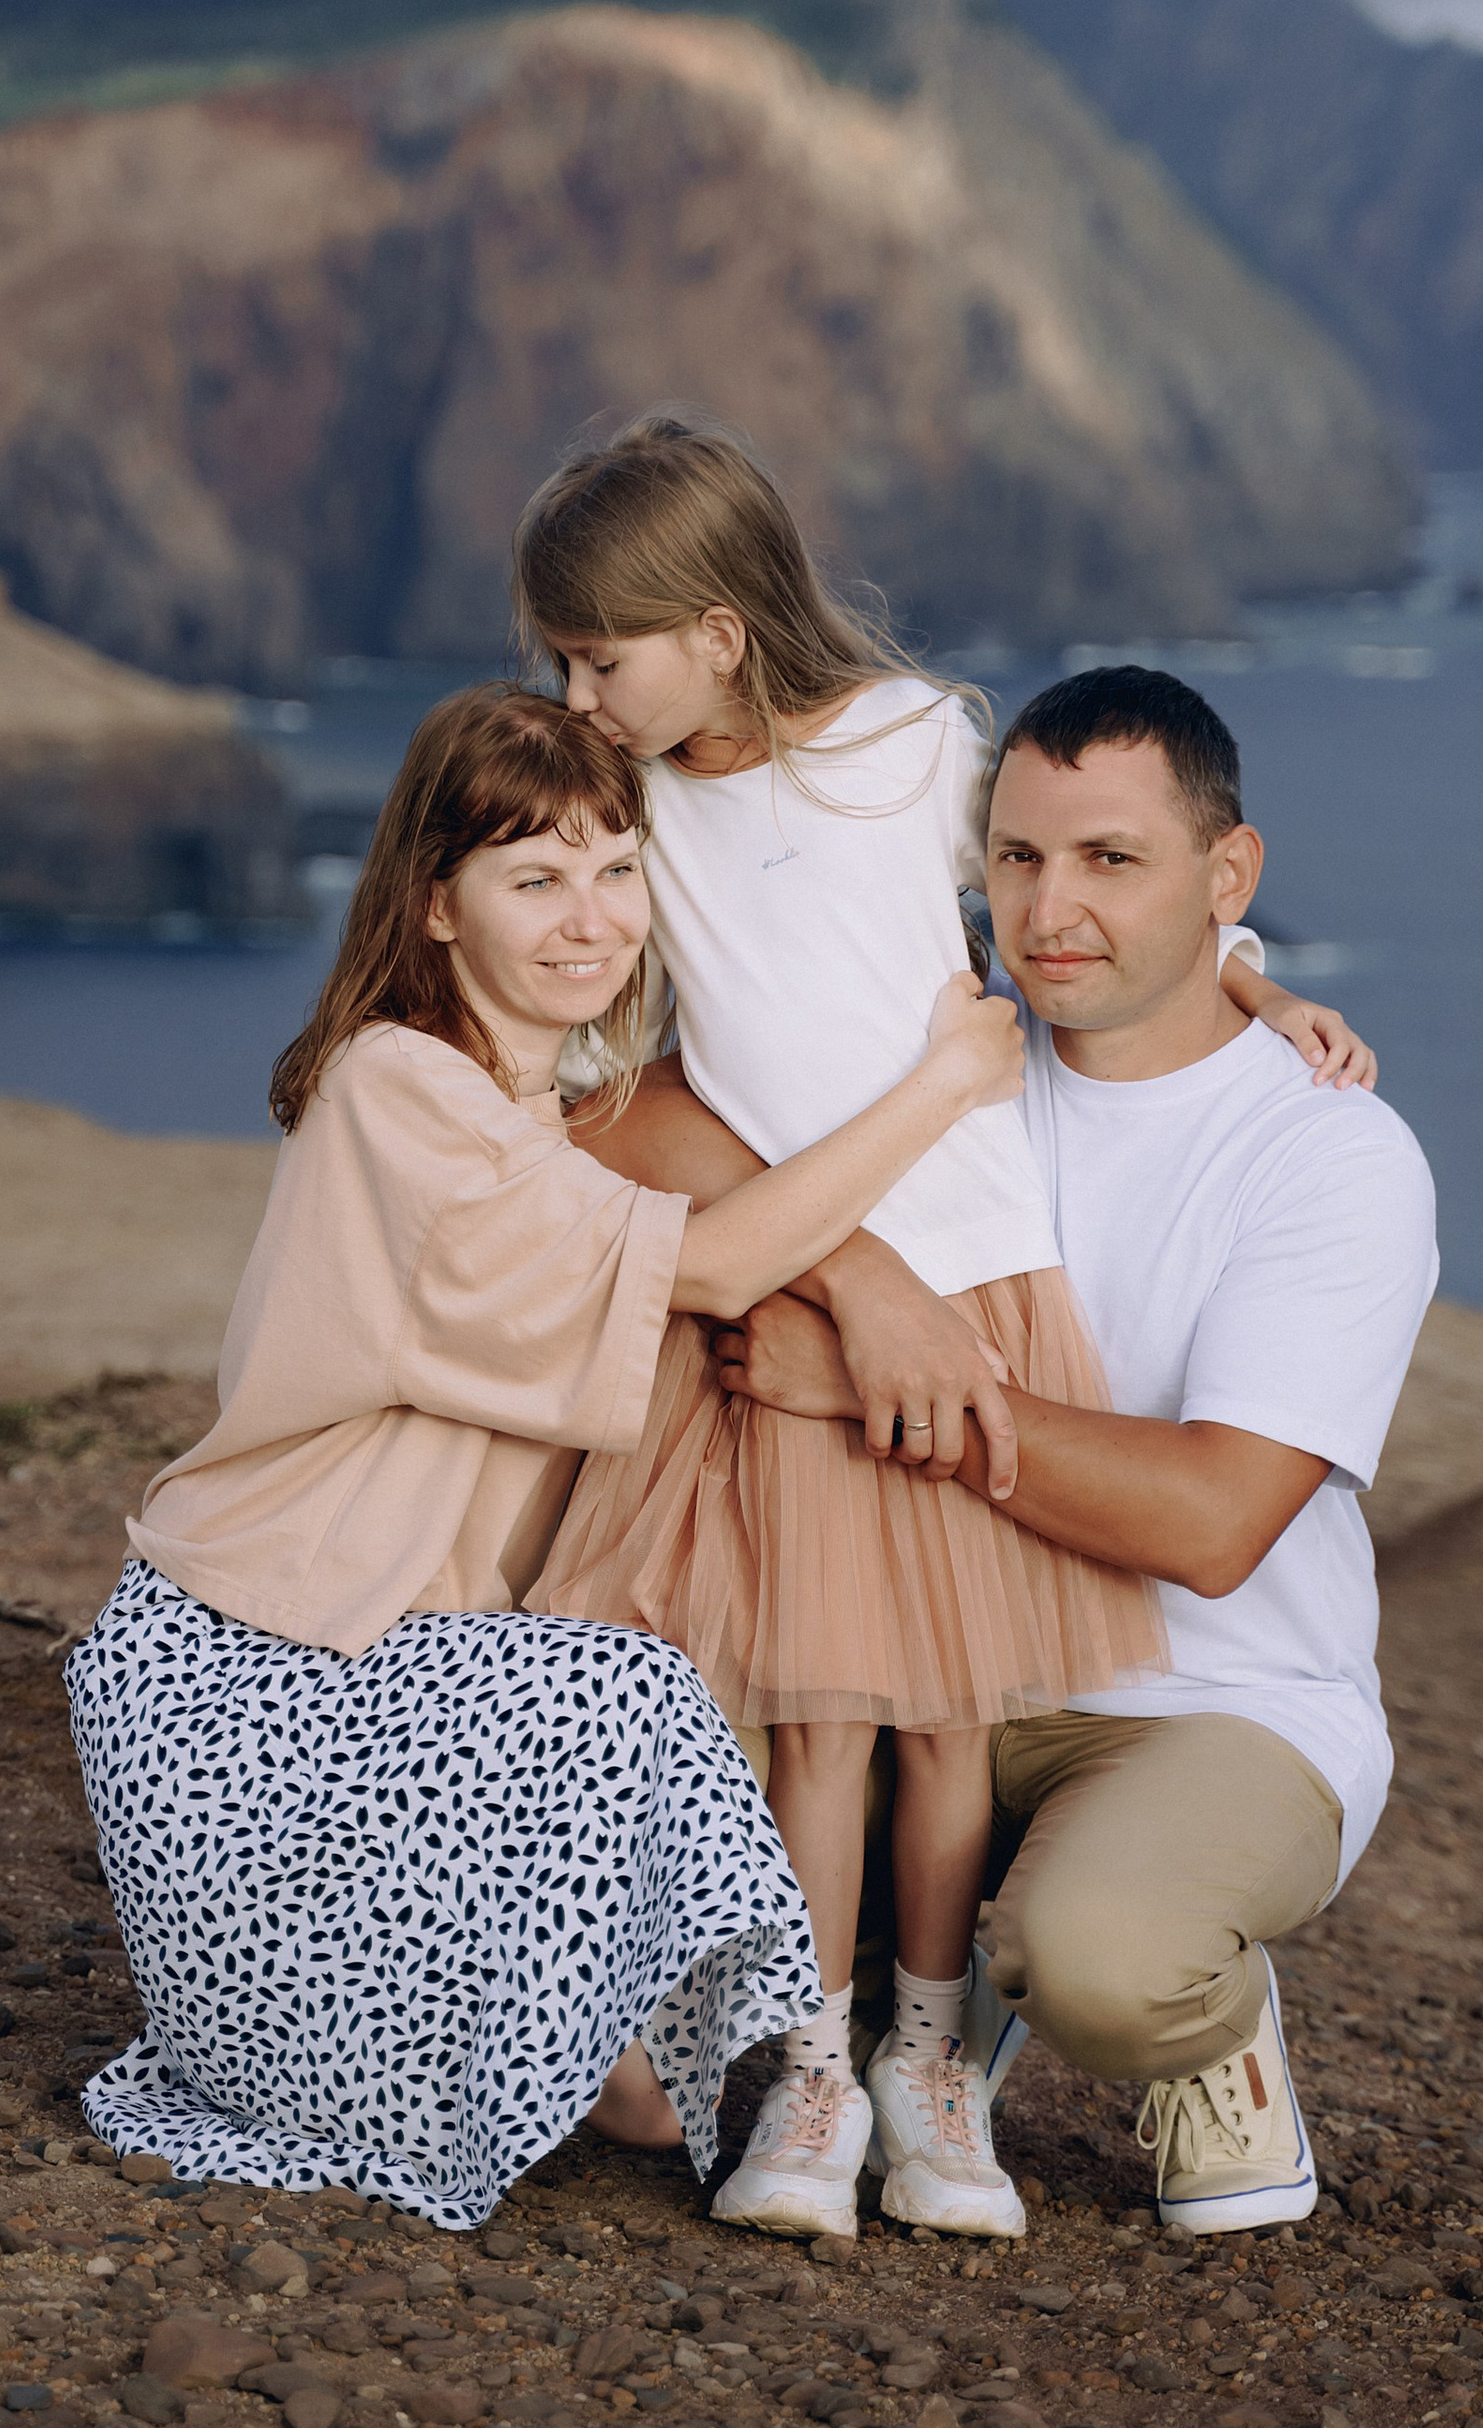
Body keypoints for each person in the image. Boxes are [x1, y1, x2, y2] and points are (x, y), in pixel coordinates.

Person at [515, 420, 1370, 2243]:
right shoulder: (663, 819)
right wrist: (853, 1286)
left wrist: (1257, 977)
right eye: (562, 662)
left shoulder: (910, 745)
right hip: (834, 1335)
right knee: (801, 1755)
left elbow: (1087, 863)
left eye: (603, 656)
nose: (575, 696)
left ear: (721, 631)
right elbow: (636, 1085)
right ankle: (807, 2061)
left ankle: (966, 2046)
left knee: (992, 1791)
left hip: (1073, 1465)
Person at [62, 682, 1028, 2232]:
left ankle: (840, 2051)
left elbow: (725, 1136)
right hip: (253, 1689)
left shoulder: (555, 1102)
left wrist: (1239, 982)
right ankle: (833, 2064)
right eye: (533, 879)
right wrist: (947, 1085)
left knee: (640, 2095)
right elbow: (709, 1265)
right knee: (630, 1692)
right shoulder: (404, 1094)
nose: (590, 922)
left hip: (396, 1678)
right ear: (435, 907)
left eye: (615, 869)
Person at [716, 664, 1439, 2234]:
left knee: (1105, 1961)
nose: (1053, 911)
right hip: (943, 1665)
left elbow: (1212, 1522)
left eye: (1113, 861)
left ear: (1225, 876)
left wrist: (865, 1380)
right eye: (1021, 859)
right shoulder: (956, 1072)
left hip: (1216, 1702)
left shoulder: (1330, 1152)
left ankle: (1199, 2025)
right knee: (671, 1929)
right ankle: (943, 1978)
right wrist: (855, 1283)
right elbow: (681, 1074)